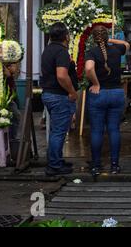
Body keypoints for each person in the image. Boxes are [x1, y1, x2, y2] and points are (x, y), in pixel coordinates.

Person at [85, 25, 130, 175]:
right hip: (116, 93)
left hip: (99, 94)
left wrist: (96, 83)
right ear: (106, 37)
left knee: (97, 131)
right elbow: (126, 45)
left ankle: (96, 166)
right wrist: (108, 39)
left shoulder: (92, 52)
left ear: (94, 39)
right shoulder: (116, 50)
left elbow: (89, 68)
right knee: (114, 130)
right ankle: (115, 165)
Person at [40, 22, 78, 176]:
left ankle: (56, 159)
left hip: (49, 94)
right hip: (59, 95)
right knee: (58, 131)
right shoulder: (61, 52)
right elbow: (62, 75)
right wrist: (71, 92)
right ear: (66, 36)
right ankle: (54, 166)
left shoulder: (48, 50)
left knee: (56, 130)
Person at [4, 62, 20, 145]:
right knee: (15, 116)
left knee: (15, 116)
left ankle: (11, 138)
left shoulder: (10, 76)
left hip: (11, 99)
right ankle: (12, 138)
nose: (16, 68)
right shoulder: (7, 76)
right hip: (7, 100)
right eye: (14, 66)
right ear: (8, 67)